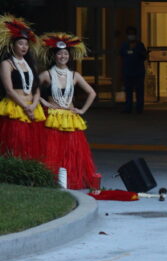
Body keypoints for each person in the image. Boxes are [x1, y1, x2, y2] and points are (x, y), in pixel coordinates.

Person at [36, 32, 98, 189]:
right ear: (54, 56)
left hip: (70, 118)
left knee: (71, 151)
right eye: (59, 54)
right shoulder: (47, 74)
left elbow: (92, 93)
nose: (62, 56)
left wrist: (82, 110)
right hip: (53, 117)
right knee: (53, 151)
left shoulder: (74, 75)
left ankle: (70, 180)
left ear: (69, 56)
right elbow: (31, 89)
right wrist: (43, 101)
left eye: (65, 54)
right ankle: (53, 180)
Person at [0, 15, 45, 161]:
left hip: (32, 107)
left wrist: (33, 105)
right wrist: (25, 108)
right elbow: (9, 90)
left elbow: (36, 88)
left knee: (31, 145)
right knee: (15, 143)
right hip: (16, 107)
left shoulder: (31, 65)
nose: (24, 47)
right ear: (13, 45)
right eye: (20, 43)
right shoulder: (7, 64)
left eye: (26, 44)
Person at [119, 25, 148, 114]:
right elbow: (122, 57)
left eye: (133, 34)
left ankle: (139, 108)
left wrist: (141, 53)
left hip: (138, 72)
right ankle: (128, 107)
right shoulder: (124, 45)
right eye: (129, 34)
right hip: (128, 71)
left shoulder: (140, 45)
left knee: (139, 91)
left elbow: (144, 56)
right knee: (128, 91)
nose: (131, 35)